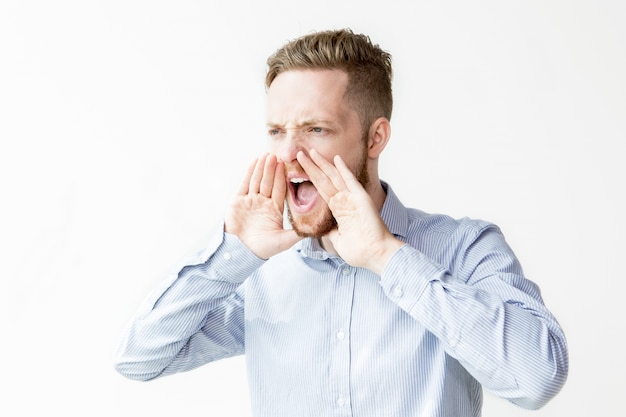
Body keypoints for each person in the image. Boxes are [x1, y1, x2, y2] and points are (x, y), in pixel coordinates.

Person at [114, 29, 568, 416]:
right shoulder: (261, 272)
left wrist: (385, 257)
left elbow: (535, 379)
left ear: (376, 137)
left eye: (316, 129)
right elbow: (139, 359)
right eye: (276, 131)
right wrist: (235, 252)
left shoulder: (466, 246)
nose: (287, 154)